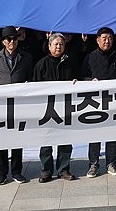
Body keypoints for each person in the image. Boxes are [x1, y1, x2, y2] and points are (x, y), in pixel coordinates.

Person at [0, 27, 34, 184]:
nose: (12, 42)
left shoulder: (27, 57)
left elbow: (31, 78)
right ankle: (1, 173)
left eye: (14, 39)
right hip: (0, 104)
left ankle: (16, 171)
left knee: (17, 138)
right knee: (1, 139)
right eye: (8, 39)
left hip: (19, 104)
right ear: (3, 41)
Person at [81, 27, 116, 178]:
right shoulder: (90, 57)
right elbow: (82, 76)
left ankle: (111, 163)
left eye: (110, 38)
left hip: (113, 100)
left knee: (111, 133)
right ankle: (93, 164)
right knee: (95, 133)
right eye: (104, 38)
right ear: (98, 40)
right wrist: (90, 81)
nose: (107, 41)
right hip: (95, 101)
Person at [33, 34, 78, 182]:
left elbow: (79, 79)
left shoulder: (70, 63)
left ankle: (63, 170)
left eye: (61, 44)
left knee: (65, 140)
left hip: (65, 108)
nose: (58, 47)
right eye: (56, 44)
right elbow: (35, 89)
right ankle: (46, 171)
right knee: (46, 140)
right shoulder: (41, 64)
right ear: (49, 46)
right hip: (46, 110)